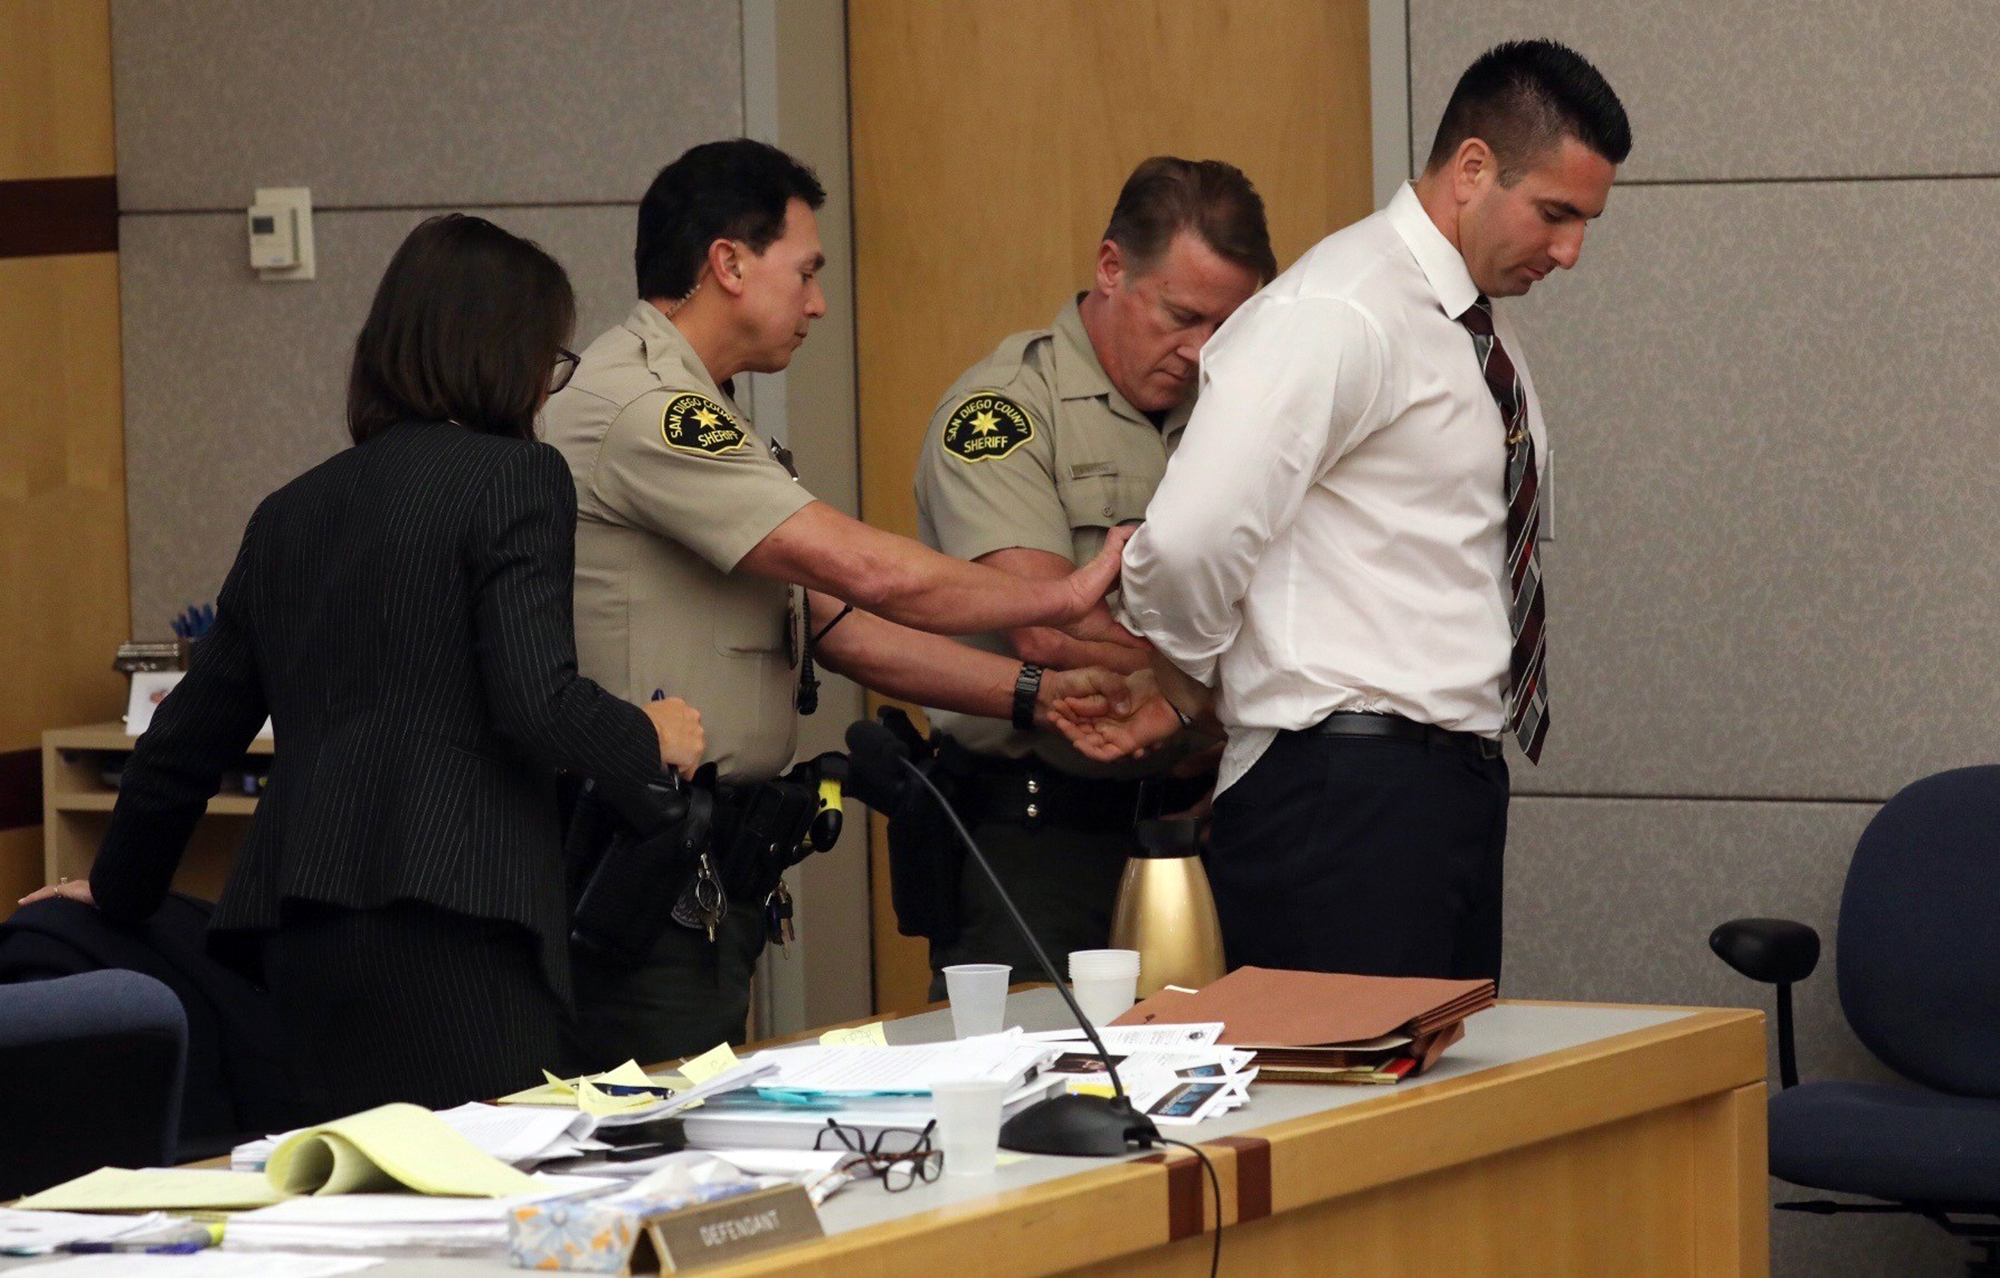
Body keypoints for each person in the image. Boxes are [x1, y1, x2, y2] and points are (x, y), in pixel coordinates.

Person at [20, 214, 707, 1118]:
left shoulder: (289, 512)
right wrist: (647, 735)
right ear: (505, 353)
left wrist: (111, 892)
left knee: (357, 1207)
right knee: (487, 1196)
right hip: (459, 920)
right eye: (550, 357)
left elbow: (184, 741)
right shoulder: (517, 477)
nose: (548, 384)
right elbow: (534, 704)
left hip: (301, 938)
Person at [545, 139, 1134, 1066]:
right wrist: (1061, 594)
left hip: (702, 873)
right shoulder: (651, 409)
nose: (819, 302)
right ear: (728, 264)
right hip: (640, 877)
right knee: (649, 1144)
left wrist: (1030, 693)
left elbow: (835, 624)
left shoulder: (707, 406)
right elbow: (869, 574)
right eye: (806, 271)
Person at [1057, 40, 1631, 982]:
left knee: (1432, 1115)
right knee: (1351, 1110)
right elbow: (1194, 536)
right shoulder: (1343, 308)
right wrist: (1183, 679)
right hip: (1345, 792)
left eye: (1586, 222)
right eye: (1555, 214)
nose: (1571, 252)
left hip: (1439, 785)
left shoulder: (1470, 327)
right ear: (1473, 169)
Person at [911, 157, 1271, 992]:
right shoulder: (1003, 411)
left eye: (1230, 325)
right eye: (1181, 316)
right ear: (1112, 269)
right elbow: (1048, 628)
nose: (1203, 351)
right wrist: (1206, 687)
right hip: (1040, 838)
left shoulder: (1241, 414)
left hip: (1198, 829)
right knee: (1037, 1095)